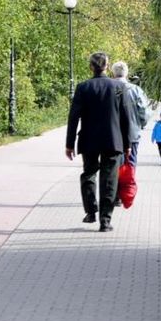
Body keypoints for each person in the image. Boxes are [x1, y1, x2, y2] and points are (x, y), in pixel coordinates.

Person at [65, 51, 135, 232]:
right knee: (109, 179)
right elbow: (125, 118)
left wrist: (69, 143)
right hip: (113, 140)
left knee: (88, 174)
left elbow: (73, 118)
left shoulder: (83, 87)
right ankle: (105, 220)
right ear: (106, 66)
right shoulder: (118, 88)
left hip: (88, 140)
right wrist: (127, 144)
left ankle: (90, 212)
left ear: (91, 67)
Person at [111, 60, 149, 165]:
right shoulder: (136, 90)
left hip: (113, 134)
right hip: (132, 132)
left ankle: (116, 181)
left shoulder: (108, 89)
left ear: (113, 73)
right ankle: (128, 180)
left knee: (114, 164)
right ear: (126, 73)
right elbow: (144, 111)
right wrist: (140, 124)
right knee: (131, 162)